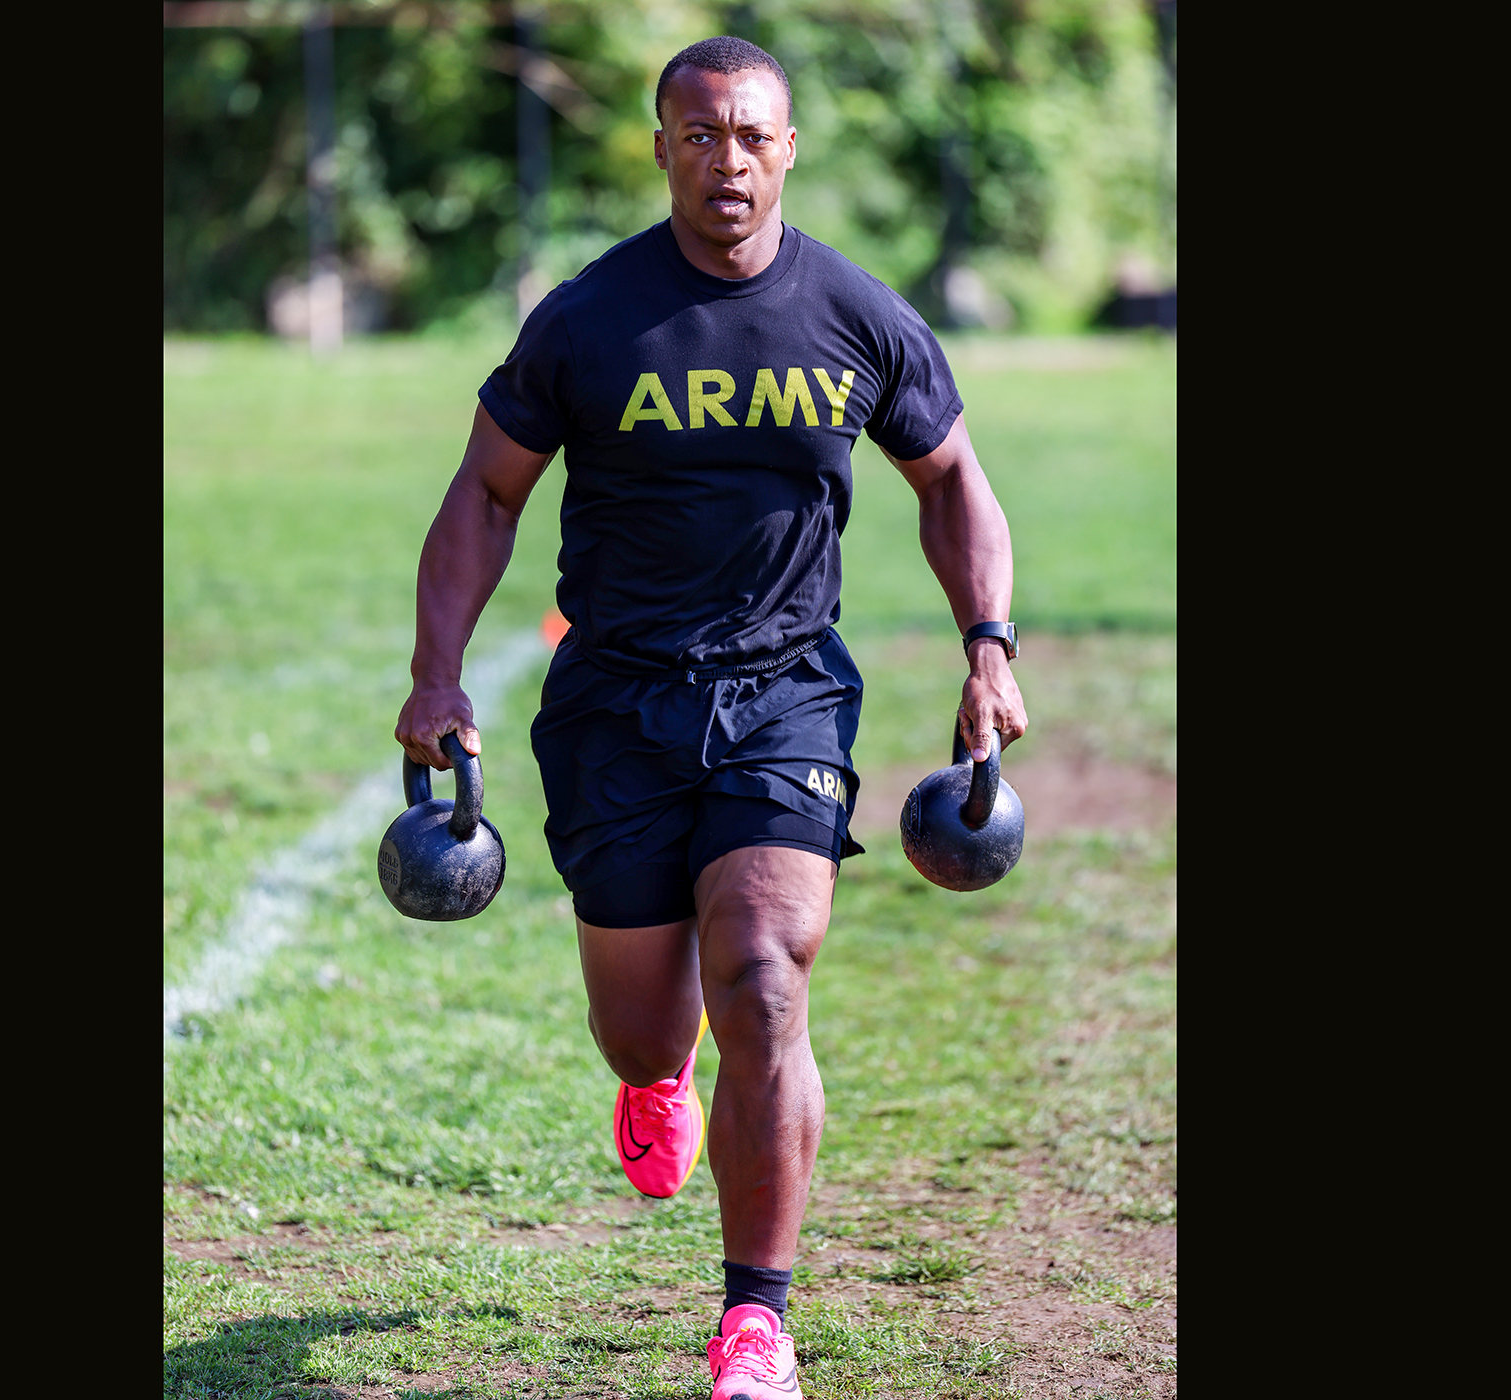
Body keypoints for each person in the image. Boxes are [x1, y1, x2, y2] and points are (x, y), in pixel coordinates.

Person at [394, 36, 1028, 1400]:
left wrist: (989, 645)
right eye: (700, 135)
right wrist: (436, 674)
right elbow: (488, 493)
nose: (727, 160)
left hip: (785, 692)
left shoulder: (859, 316)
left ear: (788, 148)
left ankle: (756, 1322)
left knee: (764, 983)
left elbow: (951, 477)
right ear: (662, 143)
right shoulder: (589, 318)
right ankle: (651, 1076)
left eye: (751, 136)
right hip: (616, 702)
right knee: (643, 1027)